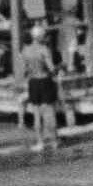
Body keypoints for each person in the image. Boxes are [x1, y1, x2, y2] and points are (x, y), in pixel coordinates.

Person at [21, 22, 59, 151]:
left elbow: (24, 70)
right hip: (45, 80)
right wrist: (59, 69)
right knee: (49, 112)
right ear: (40, 37)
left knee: (36, 114)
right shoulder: (44, 49)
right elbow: (51, 68)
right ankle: (54, 141)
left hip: (33, 82)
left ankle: (40, 143)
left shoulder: (25, 50)